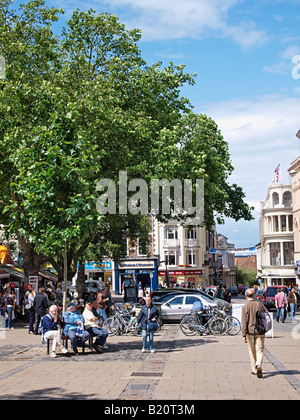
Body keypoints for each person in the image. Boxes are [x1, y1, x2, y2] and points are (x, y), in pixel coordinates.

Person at [242, 288, 267, 378]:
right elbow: (266, 315)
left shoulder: (245, 307)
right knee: (259, 350)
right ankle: (259, 364)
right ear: (254, 295)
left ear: (246, 296)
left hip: (250, 331)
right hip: (260, 331)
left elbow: (244, 322)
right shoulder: (260, 304)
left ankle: (254, 369)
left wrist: (244, 334)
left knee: (252, 351)